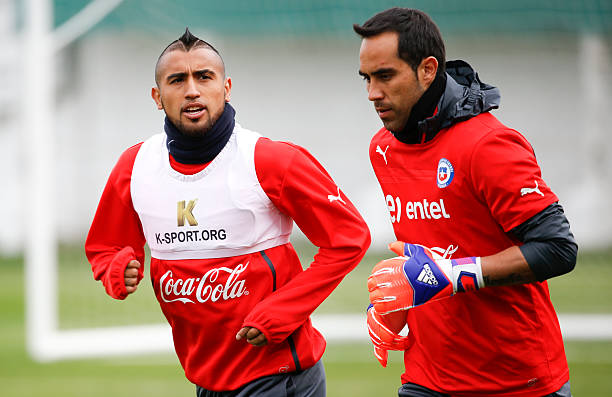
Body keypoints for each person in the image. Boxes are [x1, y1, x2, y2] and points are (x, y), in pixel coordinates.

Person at [85, 28, 370, 397]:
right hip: (208, 378)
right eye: (177, 80)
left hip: (276, 373)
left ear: (226, 87)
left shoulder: (269, 160)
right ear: (157, 97)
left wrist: (285, 310)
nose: (192, 89)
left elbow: (350, 239)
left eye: (204, 77)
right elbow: (105, 247)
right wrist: (115, 269)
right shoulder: (135, 166)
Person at [354, 8, 577, 397]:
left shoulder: (487, 145)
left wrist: (456, 274)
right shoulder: (382, 149)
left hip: (515, 381)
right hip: (426, 377)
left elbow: (558, 249)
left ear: (427, 69)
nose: (373, 92)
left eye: (385, 76)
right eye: (367, 79)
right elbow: (430, 254)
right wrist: (394, 309)